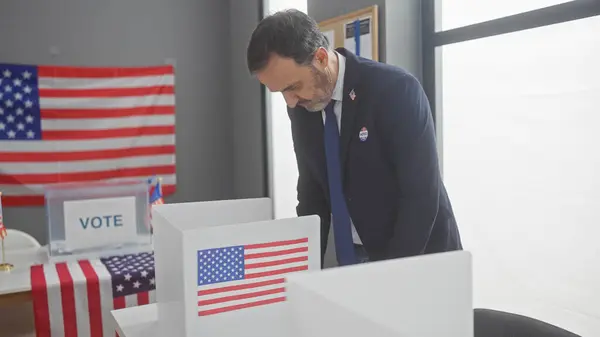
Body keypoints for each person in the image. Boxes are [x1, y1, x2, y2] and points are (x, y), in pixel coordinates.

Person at [246, 9, 462, 266]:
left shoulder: (395, 90)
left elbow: (421, 197)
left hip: (422, 253)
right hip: (362, 253)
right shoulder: (303, 108)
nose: (290, 102)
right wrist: (301, 269)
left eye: (292, 87)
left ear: (321, 58)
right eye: (281, 92)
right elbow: (312, 192)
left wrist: (392, 273)